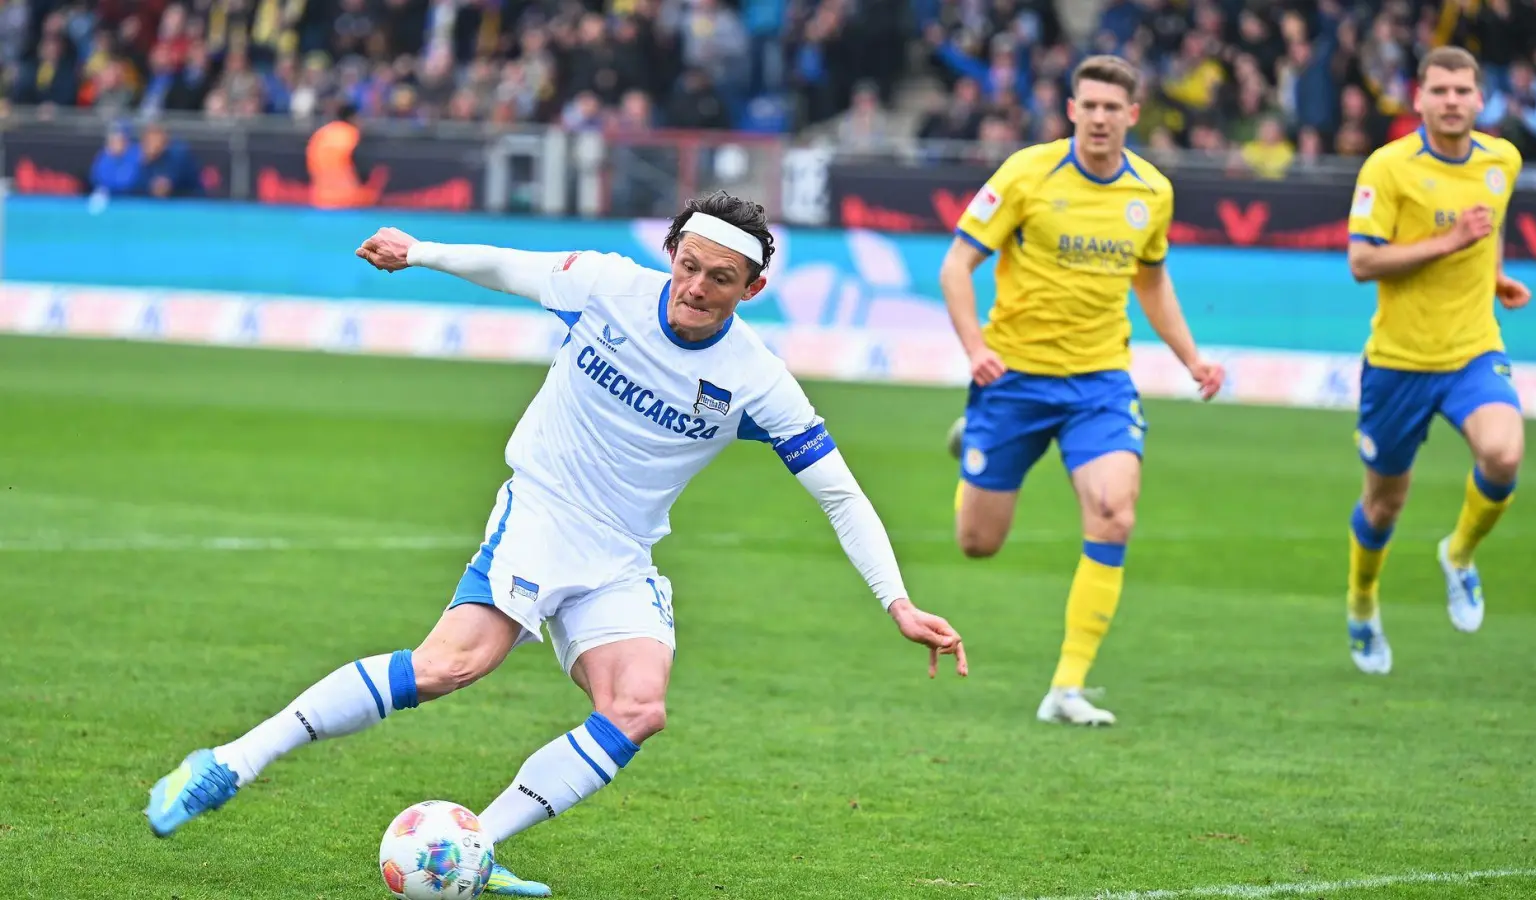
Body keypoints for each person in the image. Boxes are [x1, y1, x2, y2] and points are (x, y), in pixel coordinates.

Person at [143, 192, 968, 896]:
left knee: (638, 708)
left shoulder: (759, 381)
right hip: (542, 508)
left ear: (752, 287)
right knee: (449, 666)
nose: (696, 288)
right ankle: (230, 762)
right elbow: (511, 267)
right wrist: (418, 252)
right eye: (689, 264)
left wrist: (896, 601)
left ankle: (478, 846)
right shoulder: (606, 285)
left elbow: (840, 494)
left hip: (621, 554)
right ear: (673, 251)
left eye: (722, 278)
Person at [938, 56, 1223, 727]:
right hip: (1012, 381)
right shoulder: (1025, 174)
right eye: (1088, 105)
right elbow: (957, 265)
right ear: (1071, 111)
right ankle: (973, 438)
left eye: (1111, 107)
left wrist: (1191, 358)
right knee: (978, 542)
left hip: (1100, 383)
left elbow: (1151, 279)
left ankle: (1066, 687)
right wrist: (976, 349)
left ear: (1133, 113)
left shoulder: (1151, 192)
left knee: (1114, 512)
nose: (1099, 117)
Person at [1343, 46, 1531, 676]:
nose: (1451, 101)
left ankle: (1459, 554)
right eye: (1439, 91)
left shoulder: (1502, 160)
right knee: (1383, 505)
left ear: (1481, 100)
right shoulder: (1389, 168)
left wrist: (1495, 274)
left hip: (1473, 350)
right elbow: (1362, 261)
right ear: (1418, 98)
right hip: (1398, 363)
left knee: (1503, 454)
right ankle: (1363, 602)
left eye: (1462, 91)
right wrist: (1449, 242)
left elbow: (1490, 224)